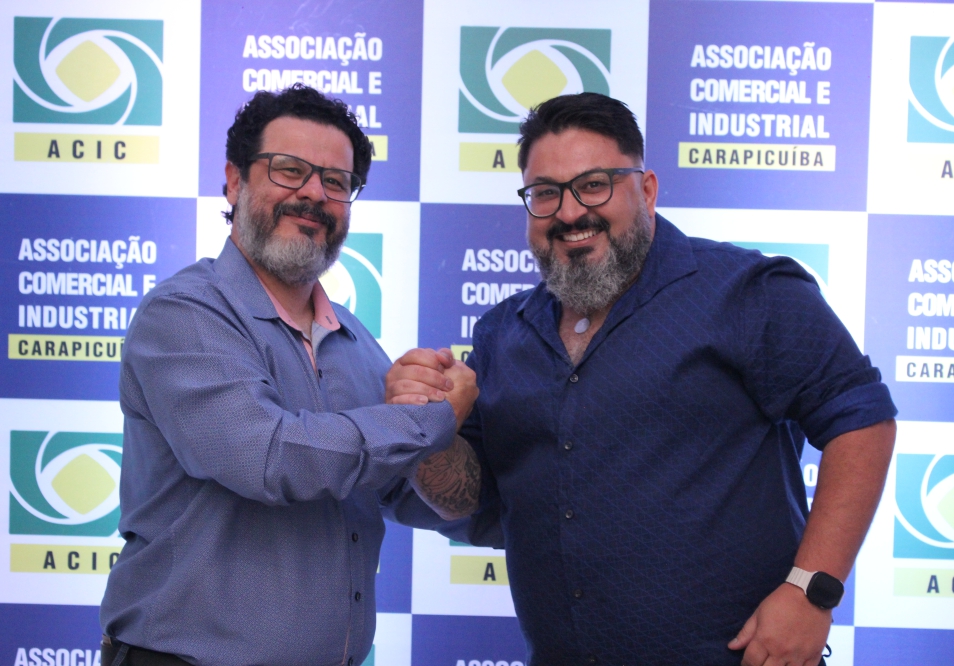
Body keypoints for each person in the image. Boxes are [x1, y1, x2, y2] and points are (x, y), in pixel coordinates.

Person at [387, 93, 897, 666]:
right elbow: (468, 499)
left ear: (647, 190)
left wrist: (811, 591)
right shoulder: (501, 333)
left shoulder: (745, 291)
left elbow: (863, 422)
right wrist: (431, 430)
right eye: (546, 193)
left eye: (595, 185)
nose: (570, 213)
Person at [100, 84, 480, 666]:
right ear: (235, 181)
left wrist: (438, 417)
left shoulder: (354, 339)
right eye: (289, 170)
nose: (313, 194)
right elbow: (268, 457)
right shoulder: (183, 314)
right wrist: (429, 421)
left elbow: (422, 498)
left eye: (336, 181)